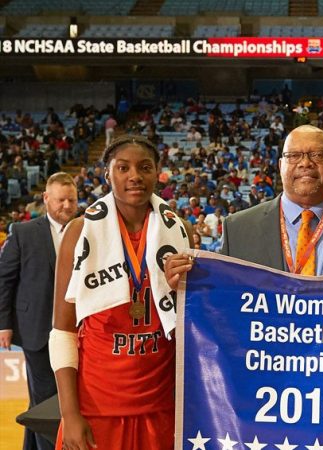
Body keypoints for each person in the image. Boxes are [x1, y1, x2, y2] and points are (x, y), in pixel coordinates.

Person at [50, 135, 191, 450]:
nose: (135, 176)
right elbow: (62, 332)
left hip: (161, 400)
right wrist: (69, 413)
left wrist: (181, 290)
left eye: (144, 167)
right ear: (107, 174)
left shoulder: (181, 231)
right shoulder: (78, 232)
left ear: (158, 173)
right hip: (96, 401)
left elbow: (194, 323)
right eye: (123, 168)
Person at [165, 124, 323, 282]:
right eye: (294, 156)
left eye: (318, 155)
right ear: (280, 165)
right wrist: (187, 285)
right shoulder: (238, 228)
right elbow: (224, 299)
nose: (305, 163)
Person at [0, 172, 78, 450]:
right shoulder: (22, 232)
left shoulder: (87, 231)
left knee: (43, 399)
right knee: (47, 398)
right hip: (35, 329)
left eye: (71, 200)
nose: (66, 206)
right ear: (46, 199)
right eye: (60, 200)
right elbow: (4, 279)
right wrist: (3, 324)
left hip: (77, 331)